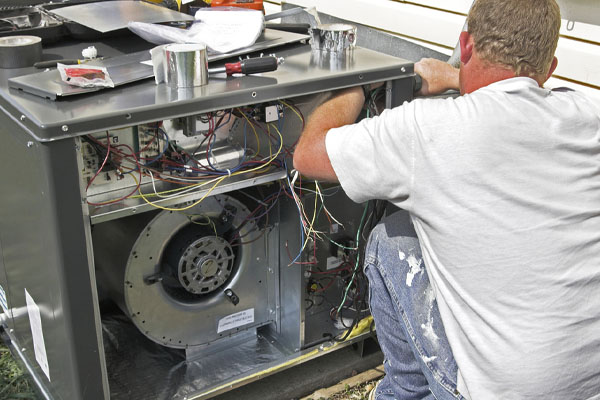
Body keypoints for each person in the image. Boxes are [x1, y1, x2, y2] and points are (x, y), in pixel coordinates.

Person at [293, 0, 600, 399]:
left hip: (505, 392)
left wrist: (359, 85)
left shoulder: (429, 130)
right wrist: (459, 77)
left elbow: (308, 154)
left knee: (391, 240)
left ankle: (407, 390)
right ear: (550, 69)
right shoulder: (587, 115)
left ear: (465, 46)